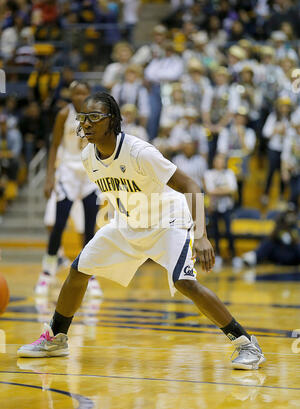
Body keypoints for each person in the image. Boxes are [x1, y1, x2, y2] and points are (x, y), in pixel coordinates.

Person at [17, 92, 265, 371]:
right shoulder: (88, 155)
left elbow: (192, 187)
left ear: (113, 121)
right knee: (79, 269)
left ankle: (246, 343)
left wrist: (201, 236)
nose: (86, 123)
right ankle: (56, 338)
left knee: (185, 283)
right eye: (83, 117)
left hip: (167, 222)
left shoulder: (139, 152)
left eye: (94, 117)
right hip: (127, 224)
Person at [35, 81, 103, 297]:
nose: (80, 97)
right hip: (68, 173)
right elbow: (54, 145)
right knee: (59, 224)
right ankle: (46, 273)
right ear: (71, 95)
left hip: (90, 173)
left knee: (90, 229)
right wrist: (49, 177)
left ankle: (90, 275)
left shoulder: (97, 115)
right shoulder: (64, 114)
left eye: (84, 93)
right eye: (76, 93)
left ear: (89, 94)